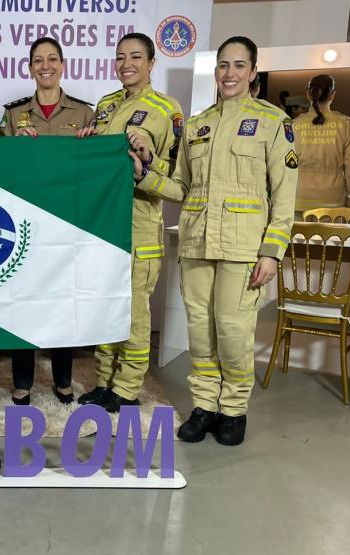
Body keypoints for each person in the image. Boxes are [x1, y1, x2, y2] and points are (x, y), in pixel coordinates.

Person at [134, 36, 297, 445]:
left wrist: (272, 252)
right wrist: (146, 175)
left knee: (232, 330)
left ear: (253, 72)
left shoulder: (274, 122)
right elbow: (182, 187)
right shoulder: (197, 125)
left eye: (239, 65)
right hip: (196, 244)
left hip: (244, 249)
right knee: (200, 332)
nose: (229, 73)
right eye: (223, 65)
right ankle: (205, 407)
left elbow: (285, 195)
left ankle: (234, 410)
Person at [76, 32, 183, 413]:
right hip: (103, 227)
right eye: (120, 57)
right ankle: (104, 382)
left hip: (139, 226)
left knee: (135, 315)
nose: (126, 64)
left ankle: (127, 387)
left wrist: (147, 166)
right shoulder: (105, 106)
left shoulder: (167, 110)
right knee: (106, 308)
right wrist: (88, 143)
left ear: (152, 63)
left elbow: (178, 184)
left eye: (136, 57)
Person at [0, 37, 94, 406]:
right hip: (26, 226)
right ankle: (22, 380)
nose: (45, 65)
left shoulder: (84, 115)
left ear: (63, 64)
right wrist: (12, 148)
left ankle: (64, 379)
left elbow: (93, 173)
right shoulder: (13, 115)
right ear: (30, 67)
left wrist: (92, 147)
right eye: (38, 60)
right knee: (23, 303)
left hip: (68, 227)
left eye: (52, 59)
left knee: (63, 304)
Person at [292, 74, 350, 212]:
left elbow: (284, 165)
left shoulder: (294, 124)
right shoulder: (346, 124)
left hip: (299, 196)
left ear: (308, 95)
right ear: (332, 96)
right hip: (333, 201)